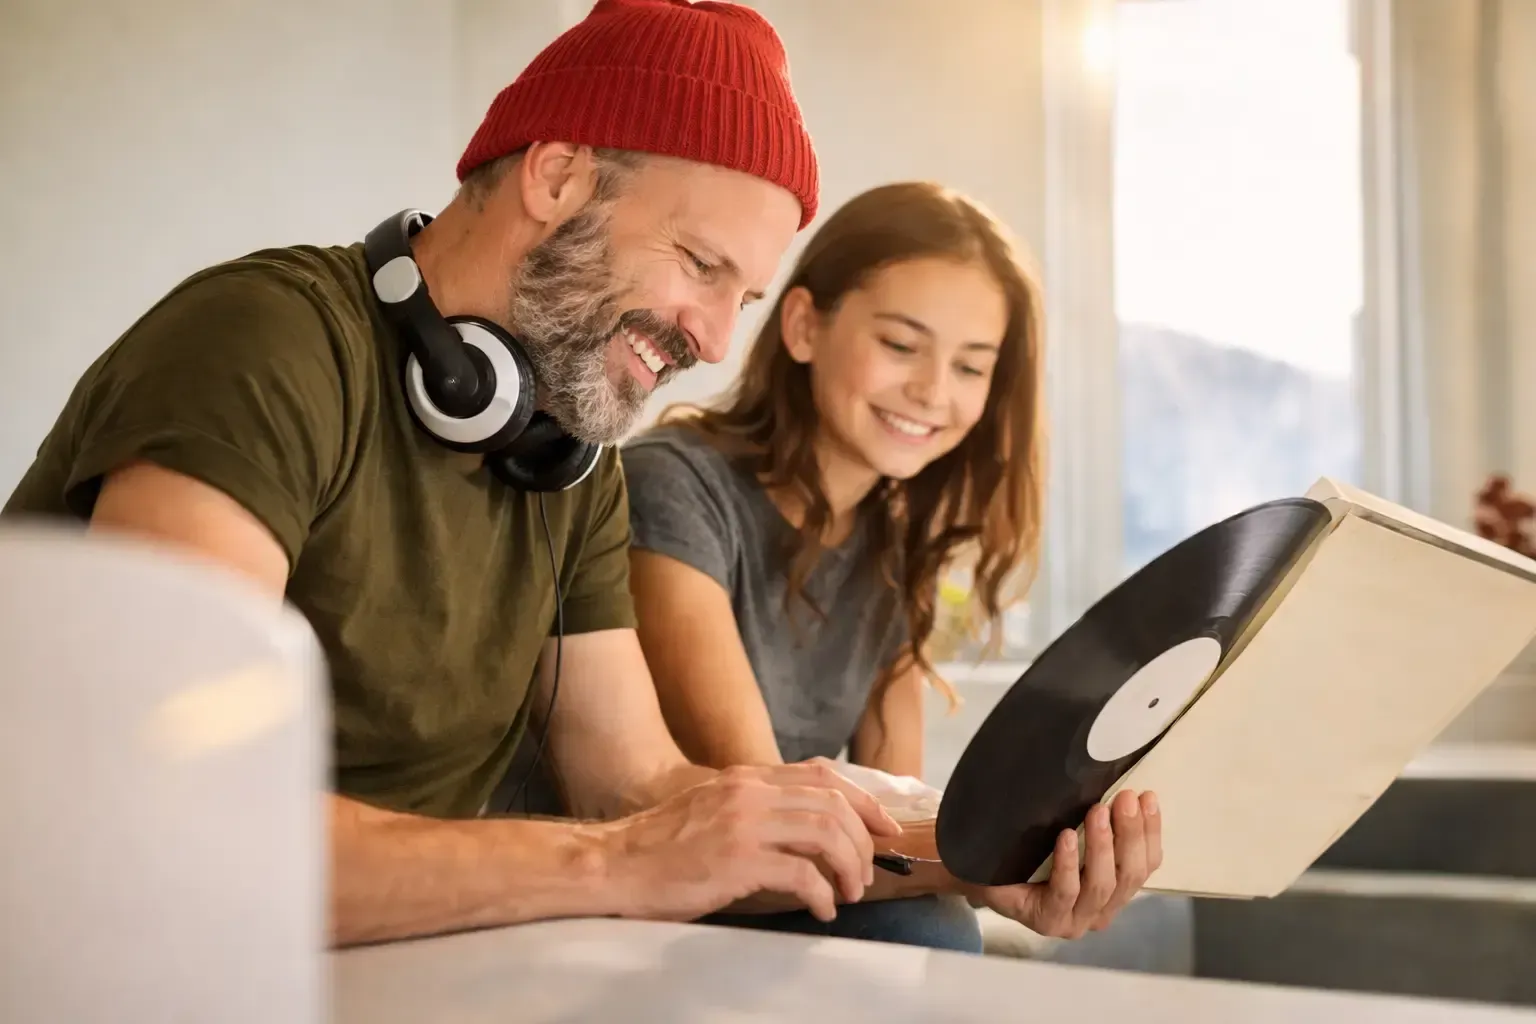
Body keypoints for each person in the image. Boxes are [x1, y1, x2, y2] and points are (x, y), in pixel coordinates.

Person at [3, 0, 1155, 950]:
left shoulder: (567, 452)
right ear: (558, 177)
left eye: (741, 298)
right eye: (700, 266)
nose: (712, 339)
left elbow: (635, 784)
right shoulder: (262, 344)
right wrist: (616, 860)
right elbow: (164, 827)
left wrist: (963, 863)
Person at [621, 180, 1162, 952]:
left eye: (972, 368)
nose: (933, 391)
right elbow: (761, 822)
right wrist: (986, 861)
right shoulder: (672, 486)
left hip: (767, 898)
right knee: (927, 926)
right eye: (902, 346)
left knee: (939, 920)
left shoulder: (895, 542)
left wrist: (1043, 849)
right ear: (805, 326)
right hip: (662, 885)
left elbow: (900, 813)